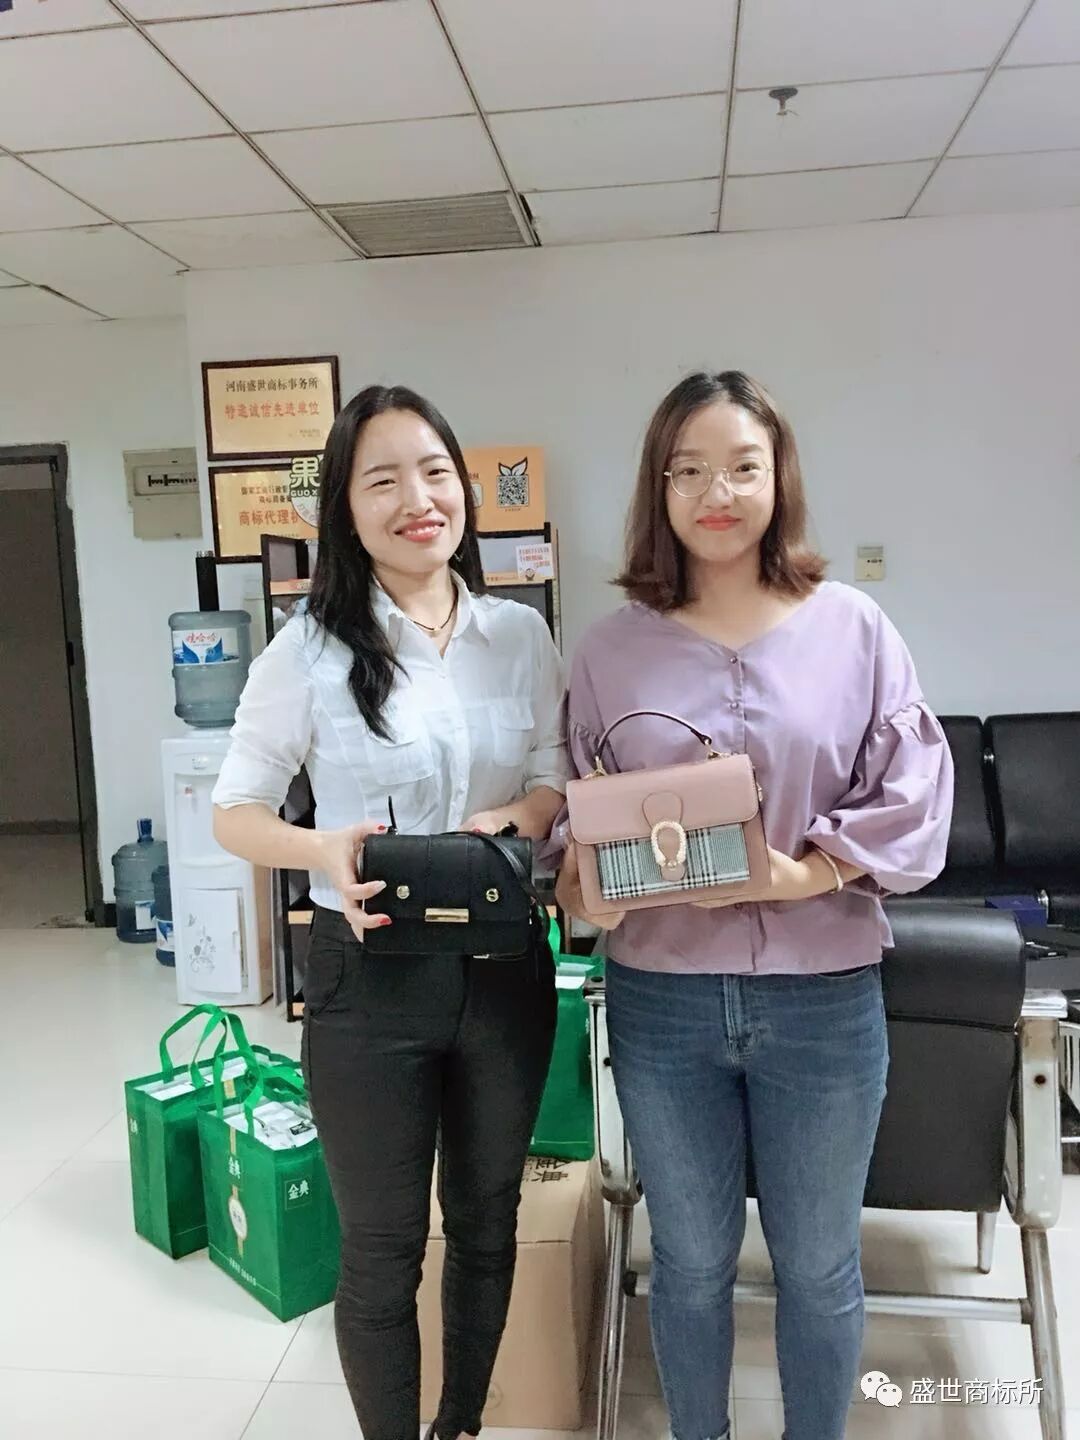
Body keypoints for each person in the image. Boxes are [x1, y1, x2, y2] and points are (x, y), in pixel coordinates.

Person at [555, 371, 953, 1440]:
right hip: (663, 1002)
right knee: (688, 1262)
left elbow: (912, 797)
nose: (716, 493)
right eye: (688, 471)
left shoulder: (854, 629)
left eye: (741, 466)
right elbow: (578, 822)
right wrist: (587, 888)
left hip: (823, 1000)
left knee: (818, 1264)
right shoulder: (609, 648)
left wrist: (805, 874)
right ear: (658, 488)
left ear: (780, 478)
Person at [212, 384, 567, 1440]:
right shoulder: (306, 653)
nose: (418, 500)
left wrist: (521, 814)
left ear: (464, 489)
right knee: (379, 1251)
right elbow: (235, 812)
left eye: (435, 473)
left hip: (504, 971)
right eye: (383, 481)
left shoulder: (521, 635)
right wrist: (319, 847)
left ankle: (460, 1423)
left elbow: (555, 778)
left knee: (489, 1222)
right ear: (346, 507)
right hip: (367, 977)